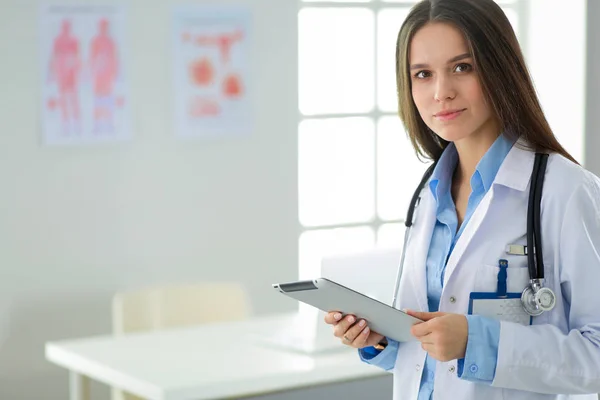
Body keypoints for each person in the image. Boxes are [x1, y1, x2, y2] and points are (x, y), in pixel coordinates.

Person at [324, 0, 600, 399]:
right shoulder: (429, 196)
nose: (442, 93)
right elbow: (428, 353)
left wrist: (477, 341)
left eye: (462, 67)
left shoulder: (565, 191)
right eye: (423, 74)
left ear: (500, 68)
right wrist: (381, 340)